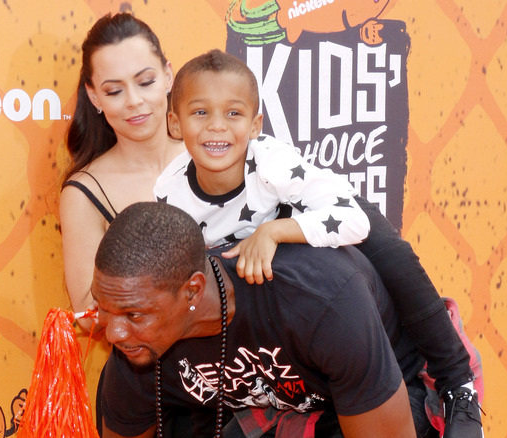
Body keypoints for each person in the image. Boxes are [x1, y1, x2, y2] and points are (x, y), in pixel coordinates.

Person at [155, 49, 483, 437]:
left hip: (324, 220)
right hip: (263, 296)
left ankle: (457, 383)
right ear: (175, 123)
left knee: (392, 252)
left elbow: (352, 220)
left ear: (257, 124)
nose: (216, 127)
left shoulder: (274, 165)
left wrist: (273, 231)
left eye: (233, 113)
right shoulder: (168, 193)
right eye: (200, 113)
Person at [93, 201, 423, 438]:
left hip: (386, 403)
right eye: (103, 307)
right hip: (272, 418)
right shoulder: (136, 347)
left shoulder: (317, 301)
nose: (113, 332)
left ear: (193, 291)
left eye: (134, 314)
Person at [59, 12, 184, 328]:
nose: (134, 100)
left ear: (168, 77)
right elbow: (87, 317)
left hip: (247, 366)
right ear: (94, 96)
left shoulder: (216, 153)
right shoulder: (85, 192)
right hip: (148, 374)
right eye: (114, 90)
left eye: (146, 82)